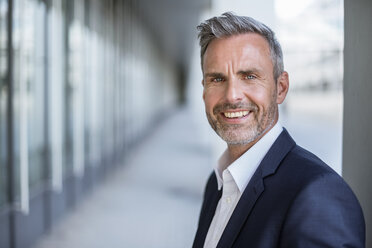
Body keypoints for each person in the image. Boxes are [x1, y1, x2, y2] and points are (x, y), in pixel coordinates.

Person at [192, 12, 365, 248]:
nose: (232, 95)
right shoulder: (217, 183)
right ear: (204, 91)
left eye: (249, 76)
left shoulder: (317, 195)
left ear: (281, 88)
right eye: (217, 79)